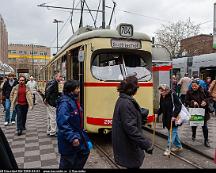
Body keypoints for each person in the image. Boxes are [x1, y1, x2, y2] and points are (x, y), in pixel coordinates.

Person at [112, 75, 153, 169]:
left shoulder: (123, 99)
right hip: (129, 146)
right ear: (132, 89)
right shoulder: (127, 103)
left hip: (127, 144)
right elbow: (130, 128)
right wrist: (146, 144)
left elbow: (128, 119)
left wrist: (139, 115)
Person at [56, 80, 91, 169]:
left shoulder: (72, 100)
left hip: (77, 135)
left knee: (84, 152)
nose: (79, 90)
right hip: (69, 140)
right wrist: (72, 137)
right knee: (67, 162)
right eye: (77, 88)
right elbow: (62, 122)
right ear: (71, 90)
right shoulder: (65, 103)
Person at [155, 84, 183, 156]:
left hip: (174, 118)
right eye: (160, 90)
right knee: (173, 133)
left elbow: (178, 105)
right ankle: (179, 146)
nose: (161, 92)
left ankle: (168, 148)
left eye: (162, 90)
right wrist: (157, 113)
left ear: (167, 90)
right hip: (166, 118)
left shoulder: (173, 95)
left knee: (171, 132)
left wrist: (174, 115)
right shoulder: (162, 96)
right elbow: (161, 107)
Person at [185, 80, 210, 147]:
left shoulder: (204, 90)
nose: (194, 87)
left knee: (204, 127)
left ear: (198, 85)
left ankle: (206, 140)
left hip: (203, 111)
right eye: (192, 86)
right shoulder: (189, 92)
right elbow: (186, 101)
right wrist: (192, 102)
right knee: (194, 125)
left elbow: (210, 97)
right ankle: (194, 133)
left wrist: (205, 101)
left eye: (195, 86)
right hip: (194, 111)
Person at [44, 70, 62, 137]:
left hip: (49, 101)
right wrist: (46, 99)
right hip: (52, 102)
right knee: (53, 117)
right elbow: (48, 91)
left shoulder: (51, 81)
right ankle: (53, 132)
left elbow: (48, 90)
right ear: (56, 76)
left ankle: (49, 130)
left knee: (49, 117)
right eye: (60, 76)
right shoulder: (54, 82)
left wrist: (46, 99)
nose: (61, 78)